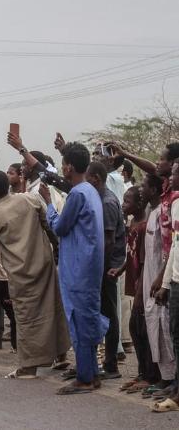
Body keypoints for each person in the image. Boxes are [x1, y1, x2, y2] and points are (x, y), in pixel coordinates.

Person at [0, 170, 69, 378]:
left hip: (20, 271)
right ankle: (61, 356)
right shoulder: (29, 199)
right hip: (44, 263)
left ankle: (29, 366)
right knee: (53, 308)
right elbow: (48, 226)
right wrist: (56, 250)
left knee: (26, 317)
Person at [43, 142, 108, 395]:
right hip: (89, 266)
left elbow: (59, 227)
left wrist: (49, 204)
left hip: (79, 267)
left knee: (80, 320)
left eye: (63, 165)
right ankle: (91, 372)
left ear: (69, 167)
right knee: (88, 317)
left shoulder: (78, 194)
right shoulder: (89, 190)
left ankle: (85, 378)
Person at [109, 186, 158, 393]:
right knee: (137, 328)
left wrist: (139, 293)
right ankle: (142, 372)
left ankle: (149, 375)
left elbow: (145, 261)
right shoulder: (133, 223)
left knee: (140, 329)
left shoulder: (145, 225)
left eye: (127, 202)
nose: (123, 205)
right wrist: (120, 270)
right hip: (134, 280)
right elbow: (131, 254)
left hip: (143, 284)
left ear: (139, 204)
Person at [85, 161, 126, 380]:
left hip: (107, 266)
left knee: (109, 313)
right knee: (102, 312)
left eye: (88, 177)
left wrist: (97, 265)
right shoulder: (97, 198)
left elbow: (108, 240)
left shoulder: (107, 202)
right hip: (103, 264)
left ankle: (111, 365)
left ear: (96, 178)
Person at [139, 173, 176, 398]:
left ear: (154, 189)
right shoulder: (151, 213)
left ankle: (171, 379)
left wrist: (161, 279)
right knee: (155, 328)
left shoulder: (165, 213)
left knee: (166, 329)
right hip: (149, 280)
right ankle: (163, 378)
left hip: (162, 280)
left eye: (144, 185)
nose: (141, 189)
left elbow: (169, 248)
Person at [152, 161, 179, 412]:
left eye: (175, 173)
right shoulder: (177, 205)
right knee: (176, 336)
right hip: (177, 281)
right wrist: (166, 280)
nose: (171, 177)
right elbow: (175, 246)